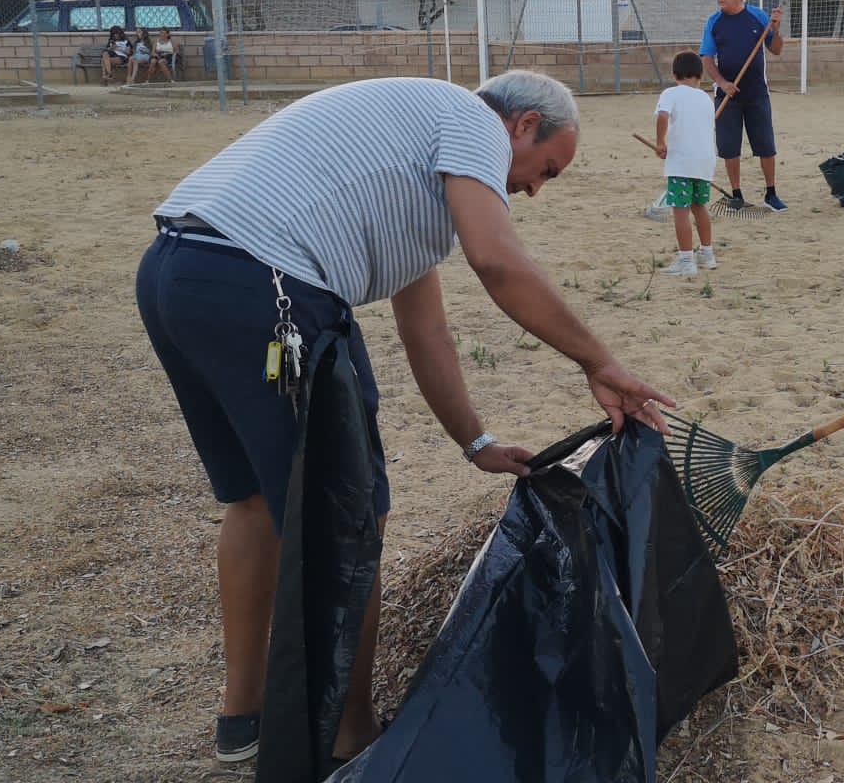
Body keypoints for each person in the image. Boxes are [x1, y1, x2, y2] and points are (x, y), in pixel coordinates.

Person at [135, 70, 675, 767]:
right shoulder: (470, 120)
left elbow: (428, 333)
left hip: (176, 272)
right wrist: (599, 362)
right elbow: (497, 260)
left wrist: (474, 441)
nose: (534, 190)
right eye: (545, 170)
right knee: (352, 516)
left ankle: (243, 716)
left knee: (257, 503)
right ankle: (350, 735)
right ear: (521, 126)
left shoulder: (414, 167)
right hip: (267, 286)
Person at [699, 0, 786, 213]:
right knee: (729, 147)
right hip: (727, 96)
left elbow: (776, 49)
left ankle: (771, 193)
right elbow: (707, 57)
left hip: (757, 94)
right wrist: (722, 82)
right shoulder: (714, 22)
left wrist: (776, 29)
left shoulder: (758, 16)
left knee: (765, 145)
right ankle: (736, 195)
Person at [652, 51, 719, 278]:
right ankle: (707, 254)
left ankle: (686, 260)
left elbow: (663, 116)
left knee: (680, 210)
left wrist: (660, 142)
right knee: (699, 206)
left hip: (681, 162)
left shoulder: (670, 93)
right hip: (705, 162)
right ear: (701, 75)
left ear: (675, 74)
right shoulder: (706, 99)